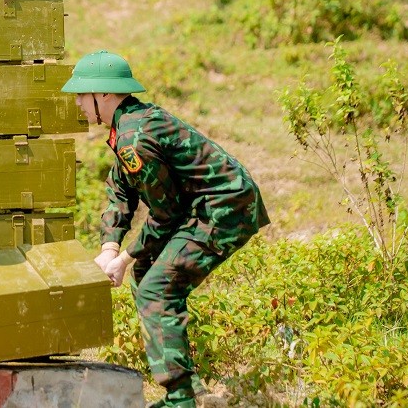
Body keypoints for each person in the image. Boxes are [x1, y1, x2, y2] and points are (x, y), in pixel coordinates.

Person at [61, 50, 269, 408]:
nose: (78, 103)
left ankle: (179, 399)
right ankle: (190, 387)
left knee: (156, 290)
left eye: (83, 95)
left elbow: (166, 213)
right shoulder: (127, 126)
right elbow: (121, 190)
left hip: (225, 208)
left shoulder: (134, 137)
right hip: (205, 207)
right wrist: (110, 247)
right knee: (150, 272)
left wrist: (124, 258)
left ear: (105, 96)